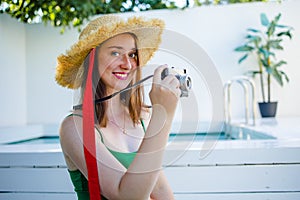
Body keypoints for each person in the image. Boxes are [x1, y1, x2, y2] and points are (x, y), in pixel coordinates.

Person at [55, 15, 180, 200]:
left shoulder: (141, 118)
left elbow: (161, 191)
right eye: (115, 53)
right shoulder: (74, 127)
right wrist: (163, 115)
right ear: (92, 59)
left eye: (132, 54)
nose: (127, 64)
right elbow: (127, 196)